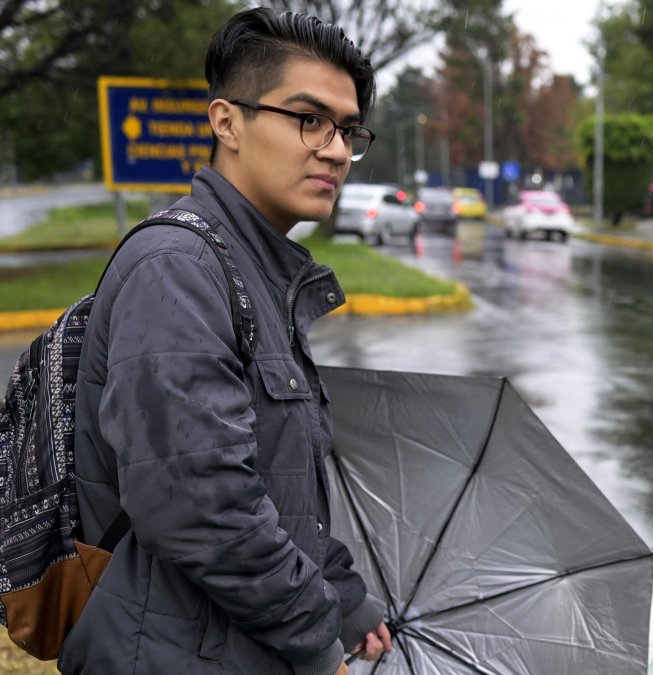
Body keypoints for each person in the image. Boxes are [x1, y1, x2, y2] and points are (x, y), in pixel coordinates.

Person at [61, 9, 393, 674]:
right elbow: (196, 502)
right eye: (308, 119)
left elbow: (277, 484)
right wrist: (317, 641)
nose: (333, 149)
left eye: (347, 131)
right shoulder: (178, 267)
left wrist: (349, 601)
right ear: (227, 121)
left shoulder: (255, 274)